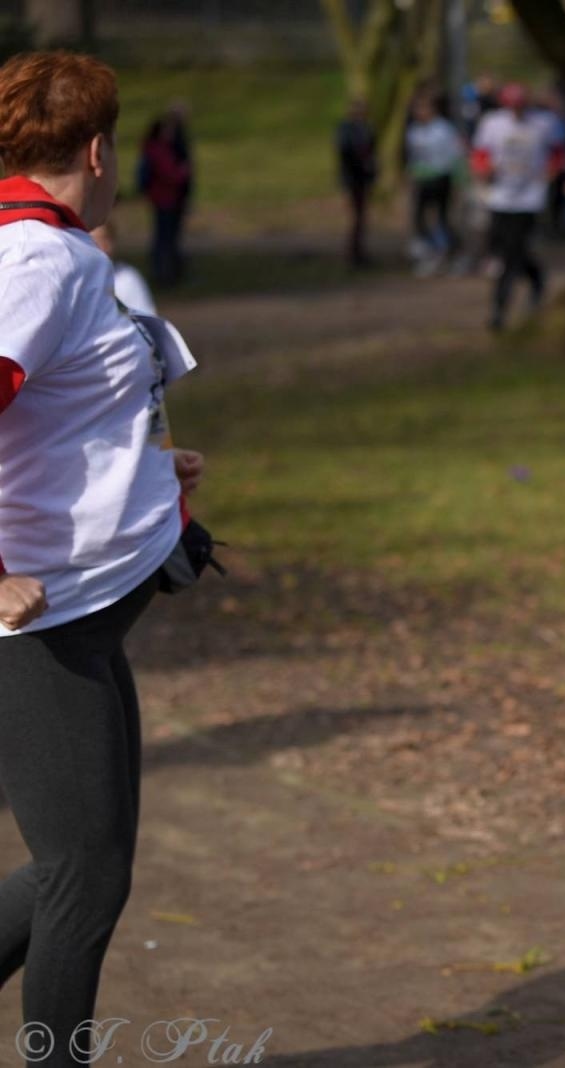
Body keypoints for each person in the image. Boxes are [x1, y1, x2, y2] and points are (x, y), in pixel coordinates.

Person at [0, 50, 206, 1066]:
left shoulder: (53, 254)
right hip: (40, 626)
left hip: (82, 619)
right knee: (83, 876)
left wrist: (146, 467)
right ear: (96, 151)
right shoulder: (37, 262)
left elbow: (49, 410)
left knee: (85, 867)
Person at [471, 81, 561, 331]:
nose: (516, 111)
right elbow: (480, 153)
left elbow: (557, 152)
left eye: (520, 106)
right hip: (500, 196)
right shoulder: (492, 123)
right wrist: (483, 170)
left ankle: (499, 310)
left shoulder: (544, 123)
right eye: (512, 106)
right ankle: (536, 279)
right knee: (507, 248)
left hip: (529, 198)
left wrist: (551, 173)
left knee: (510, 254)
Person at [404, 90, 465, 275]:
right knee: (419, 218)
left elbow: (455, 155)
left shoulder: (443, 129)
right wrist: (411, 175)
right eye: (417, 108)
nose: (419, 112)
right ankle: (431, 253)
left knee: (442, 218)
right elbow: (413, 157)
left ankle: (455, 254)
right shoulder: (414, 131)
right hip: (422, 179)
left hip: (441, 178)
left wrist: (458, 180)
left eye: (423, 108)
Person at [137, 108, 191, 286]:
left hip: (169, 198)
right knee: (164, 237)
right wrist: (182, 172)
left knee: (167, 237)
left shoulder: (164, 147)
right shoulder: (158, 150)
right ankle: (163, 272)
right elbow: (170, 174)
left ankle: (168, 270)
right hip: (164, 199)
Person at [336, 97, 378, 269]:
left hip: (363, 179)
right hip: (352, 179)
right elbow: (345, 156)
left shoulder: (367, 129)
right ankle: (352, 253)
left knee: (361, 217)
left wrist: (372, 174)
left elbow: (372, 153)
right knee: (354, 217)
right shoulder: (346, 130)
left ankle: (358, 252)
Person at [90, 221, 157, 317]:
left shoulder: (128, 278)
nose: (103, 246)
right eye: (95, 240)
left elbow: (146, 318)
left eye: (105, 239)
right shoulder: (77, 279)